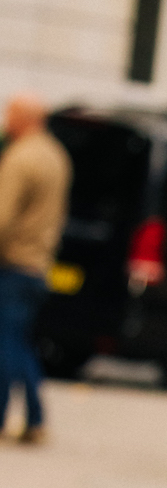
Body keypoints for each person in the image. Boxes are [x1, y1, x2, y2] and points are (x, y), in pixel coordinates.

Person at [0, 95, 71, 445]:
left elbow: (2, 217)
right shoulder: (56, 156)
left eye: (8, 115)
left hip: (13, 263)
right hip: (40, 263)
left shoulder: (20, 158)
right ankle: (36, 419)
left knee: (5, 344)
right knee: (18, 343)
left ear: (23, 118)